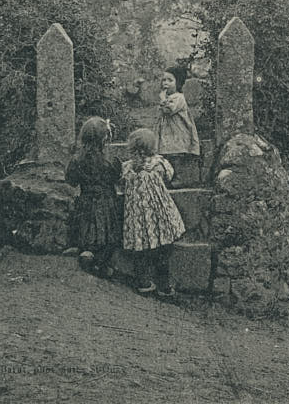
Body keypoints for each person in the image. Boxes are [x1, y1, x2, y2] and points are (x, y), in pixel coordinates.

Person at [122, 128, 185, 296]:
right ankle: (164, 286)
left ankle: (143, 283)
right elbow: (169, 176)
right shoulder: (159, 163)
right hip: (159, 214)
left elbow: (122, 183)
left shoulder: (127, 167)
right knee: (163, 249)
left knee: (140, 249)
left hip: (137, 216)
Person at [65, 117, 122, 278]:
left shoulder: (77, 160)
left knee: (87, 230)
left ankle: (87, 253)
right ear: (105, 139)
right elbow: (116, 177)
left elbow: (71, 180)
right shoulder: (110, 160)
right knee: (109, 234)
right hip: (107, 201)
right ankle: (102, 263)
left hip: (86, 200)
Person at [156, 66, 200, 188]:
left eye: (170, 80)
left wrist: (163, 99)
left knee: (176, 155)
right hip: (168, 133)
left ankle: (180, 179)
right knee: (168, 155)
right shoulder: (168, 98)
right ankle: (170, 178)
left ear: (178, 82)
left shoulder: (179, 97)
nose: (165, 83)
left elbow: (169, 110)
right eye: (164, 80)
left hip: (178, 132)